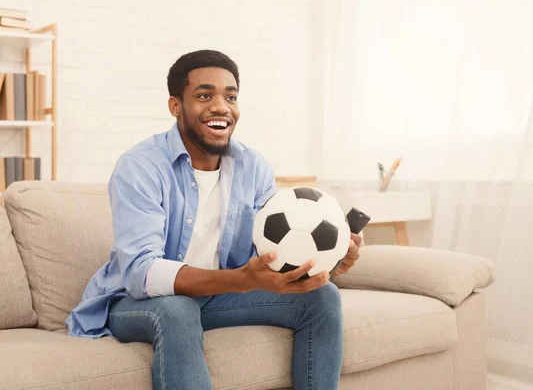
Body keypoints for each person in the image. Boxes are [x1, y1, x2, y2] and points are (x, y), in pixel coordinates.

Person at [66, 50, 362, 390]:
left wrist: (332, 259)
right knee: (177, 310)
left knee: (323, 297)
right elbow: (141, 273)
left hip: (220, 297)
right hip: (135, 303)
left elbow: (274, 252)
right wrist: (239, 280)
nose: (221, 106)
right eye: (204, 95)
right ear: (175, 106)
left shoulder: (254, 167)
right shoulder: (140, 167)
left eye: (230, 96)